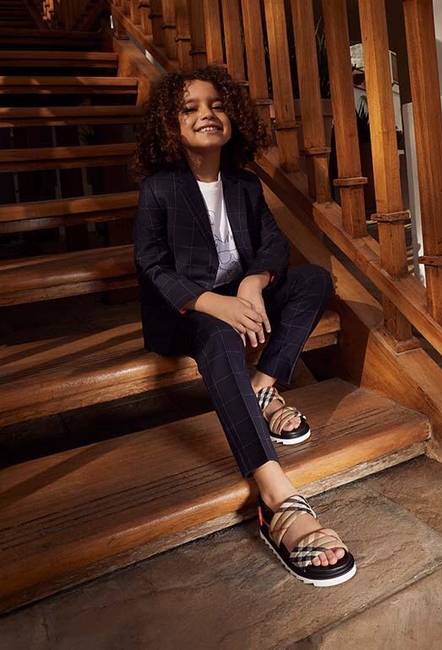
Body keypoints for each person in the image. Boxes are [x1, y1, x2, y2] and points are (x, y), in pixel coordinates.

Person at [133, 66, 356, 586]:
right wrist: (214, 304)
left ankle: (263, 385)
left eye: (217, 105)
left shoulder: (245, 184)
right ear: (169, 126)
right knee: (218, 334)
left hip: (239, 295)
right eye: (190, 108)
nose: (206, 114)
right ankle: (276, 496)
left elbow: (273, 243)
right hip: (187, 314)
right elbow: (152, 264)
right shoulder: (159, 189)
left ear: (232, 116)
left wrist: (255, 282)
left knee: (313, 279)